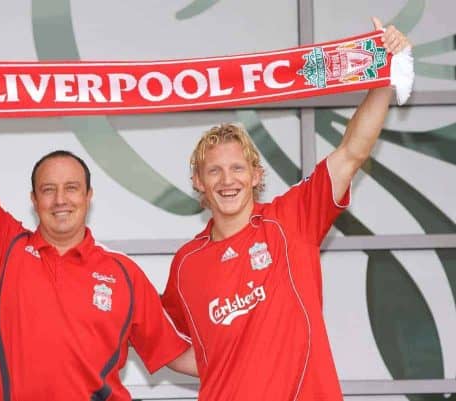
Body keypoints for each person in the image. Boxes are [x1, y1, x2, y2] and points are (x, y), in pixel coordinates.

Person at [161, 18, 411, 401]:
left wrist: (383, 71)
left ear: (256, 174)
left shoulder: (292, 218)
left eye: (237, 168)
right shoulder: (185, 265)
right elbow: (180, 349)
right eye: (214, 171)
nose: (227, 181)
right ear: (198, 181)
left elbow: (351, 153)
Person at [0, 66, 197, 401]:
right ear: (34, 200)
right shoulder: (4, 250)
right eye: (48, 189)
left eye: (72, 188)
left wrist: (260, 358)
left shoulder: (123, 274)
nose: (61, 199)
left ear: (88, 197)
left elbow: (176, 354)